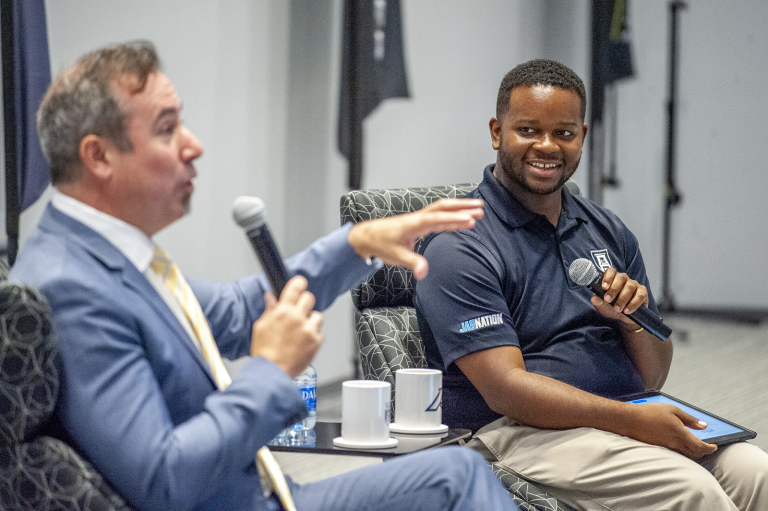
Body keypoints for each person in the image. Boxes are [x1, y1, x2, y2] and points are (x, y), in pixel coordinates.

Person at [9, 40, 519, 511]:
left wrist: (356, 243)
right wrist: (271, 369)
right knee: (460, 479)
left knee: (458, 471)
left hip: (262, 491)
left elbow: (237, 310)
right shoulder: (72, 286)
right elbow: (165, 480)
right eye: (167, 128)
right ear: (99, 156)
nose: (194, 146)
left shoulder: (101, 255)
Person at [413, 59, 768, 510]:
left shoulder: (606, 229)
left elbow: (653, 375)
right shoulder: (459, 244)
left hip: (623, 413)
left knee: (757, 473)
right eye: (528, 130)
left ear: (582, 136)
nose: (547, 146)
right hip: (517, 431)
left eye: (564, 133)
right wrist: (632, 424)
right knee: (690, 490)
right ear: (497, 132)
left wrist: (632, 324)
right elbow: (506, 390)